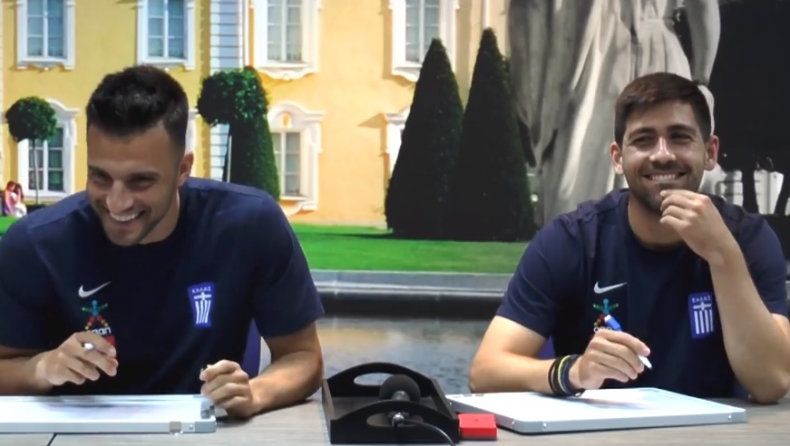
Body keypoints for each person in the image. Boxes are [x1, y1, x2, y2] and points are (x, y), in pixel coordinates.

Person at [0, 65, 325, 419]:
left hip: (209, 431)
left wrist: (255, 393)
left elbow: (303, 357)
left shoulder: (250, 225)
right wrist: (42, 368)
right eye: (100, 176)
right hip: (75, 433)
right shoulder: (34, 245)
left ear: (183, 168)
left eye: (140, 181)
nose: (117, 202)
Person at [468, 72, 790, 403]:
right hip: (602, 429)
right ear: (618, 158)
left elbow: (773, 382)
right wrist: (574, 371)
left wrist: (722, 255)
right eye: (644, 140)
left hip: (717, 428)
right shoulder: (571, 240)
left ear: (710, 152)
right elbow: (486, 373)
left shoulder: (748, 239)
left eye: (679, 137)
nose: (662, 155)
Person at [508, 0, 721, 227]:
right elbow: (704, 10)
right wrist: (701, 78)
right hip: (656, 52)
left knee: (576, 183)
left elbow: (528, 15)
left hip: (590, 57)